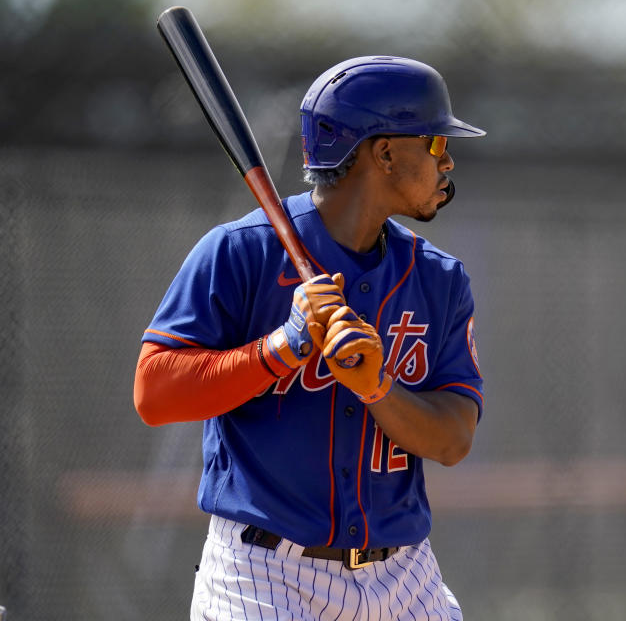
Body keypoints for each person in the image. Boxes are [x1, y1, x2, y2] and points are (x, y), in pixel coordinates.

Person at [134, 56, 486, 620]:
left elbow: (452, 441)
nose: (447, 162)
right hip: (267, 575)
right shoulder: (240, 252)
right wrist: (284, 347)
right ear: (386, 152)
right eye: (436, 144)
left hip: (405, 576)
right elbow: (154, 393)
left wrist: (378, 388)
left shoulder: (439, 279)